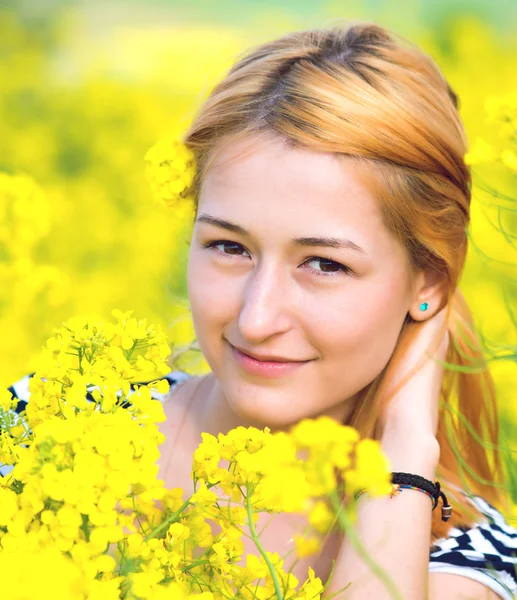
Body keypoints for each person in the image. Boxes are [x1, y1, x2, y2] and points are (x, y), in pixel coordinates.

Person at [5, 21, 517, 600]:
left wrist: (404, 451)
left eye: (324, 264)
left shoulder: (466, 561)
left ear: (427, 283)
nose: (255, 319)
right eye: (229, 247)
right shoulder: (48, 427)